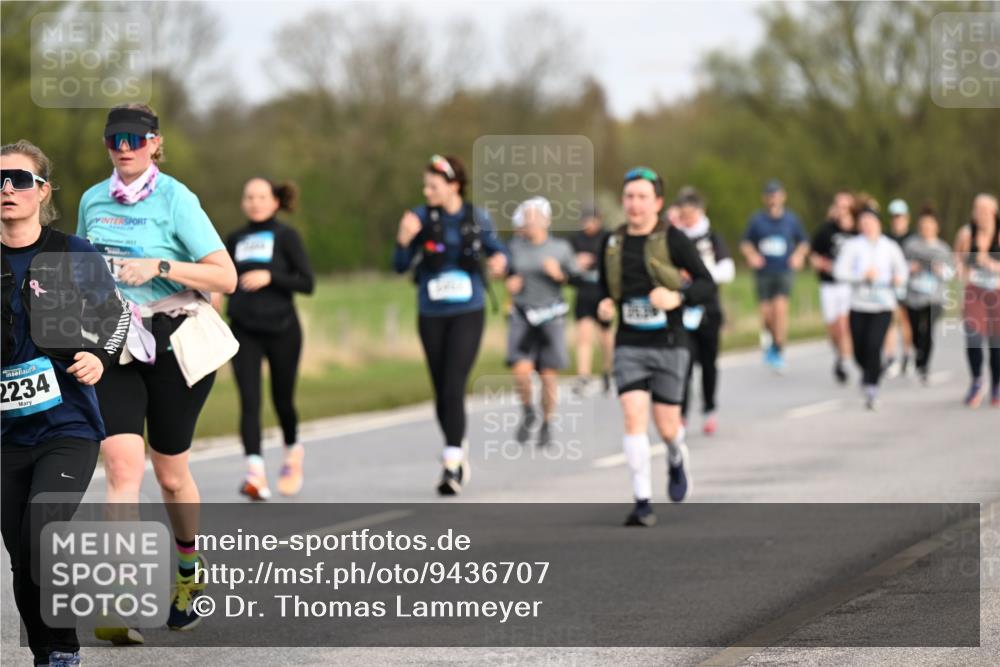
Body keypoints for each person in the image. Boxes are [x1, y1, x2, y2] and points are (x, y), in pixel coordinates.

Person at [77, 104, 238, 637]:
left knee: (170, 475)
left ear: (154, 144)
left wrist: (160, 267)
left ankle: (189, 572)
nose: (123, 147)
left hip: (175, 342)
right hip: (117, 342)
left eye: (134, 139)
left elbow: (226, 276)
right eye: (113, 140)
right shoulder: (92, 201)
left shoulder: (176, 198)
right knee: (123, 467)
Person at [2, 140, 130, 667]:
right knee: (23, 558)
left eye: (19, 179)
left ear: (43, 190)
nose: (7, 188)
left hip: (66, 426)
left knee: (42, 530)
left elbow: (117, 317)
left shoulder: (72, 253)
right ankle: (45, 653)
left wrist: (99, 356)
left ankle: (63, 652)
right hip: (5, 435)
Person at [595, 167, 716, 526]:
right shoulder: (612, 243)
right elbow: (603, 291)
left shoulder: (674, 239)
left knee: (666, 428)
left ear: (658, 203)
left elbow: (707, 285)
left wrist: (676, 297)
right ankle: (642, 501)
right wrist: (604, 306)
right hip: (629, 342)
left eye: (642, 197)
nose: (634, 204)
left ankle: (676, 456)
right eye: (629, 196)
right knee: (633, 415)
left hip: (669, 342)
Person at [393, 155, 507, 495]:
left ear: (454, 185)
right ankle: (455, 445)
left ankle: (452, 463)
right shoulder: (417, 217)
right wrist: (402, 239)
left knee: (455, 382)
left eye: (434, 186)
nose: (427, 192)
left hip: (467, 311)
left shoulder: (477, 217)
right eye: (424, 186)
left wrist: (501, 260)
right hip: (430, 313)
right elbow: (399, 266)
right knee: (441, 387)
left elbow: (498, 250)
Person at [226, 178, 315, 500]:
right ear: (243, 202)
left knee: (282, 400)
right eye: (249, 196)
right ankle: (255, 473)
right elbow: (223, 278)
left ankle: (292, 449)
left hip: (282, 329)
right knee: (250, 401)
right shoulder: (234, 239)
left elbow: (307, 283)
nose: (255, 202)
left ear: (275, 202)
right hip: (244, 330)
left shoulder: (286, 236)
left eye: (262, 196)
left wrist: (271, 276)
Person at [505, 197, 578, 446]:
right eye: (526, 217)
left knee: (548, 375)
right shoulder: (514, 247)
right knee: (521, 370)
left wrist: (559, 274)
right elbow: (503, 272)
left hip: (551, 316)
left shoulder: (560, 249)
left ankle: (547, 422)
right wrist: (509, 283)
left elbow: (577, 278)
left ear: (546, 220)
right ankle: (528, 411)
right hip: (523, 315)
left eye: (535, 217)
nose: (530, 222)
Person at [834, 202, 908, 410]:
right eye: (863, 222)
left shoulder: (890, 247)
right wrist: (860, 276)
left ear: (878, 223)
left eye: (870, 221)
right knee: (859, 349)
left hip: (883, 305)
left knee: (874, 345)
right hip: (858, 304)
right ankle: (869, 372)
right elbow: (839, 272)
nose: (866, 225)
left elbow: (902, 271)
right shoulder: (852, 246)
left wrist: (897, 279)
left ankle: (872, 387)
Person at [674, 187, 733, 435]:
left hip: (708, 309)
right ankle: (681, 414)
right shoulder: (675, 239)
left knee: (708, 363)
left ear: (700, 212)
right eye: (683, 214)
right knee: (683, 363)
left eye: (691, 213)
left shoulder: (712, 238)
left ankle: (709, 408)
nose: (687, 219)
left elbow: (727, 271)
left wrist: (700, 277)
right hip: (682, 309)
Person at [740, 179, 809, 373]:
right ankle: (772, 342)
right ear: (765, 198)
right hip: (764, 272)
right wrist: (752, 255)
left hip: (784, 270)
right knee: (766, 314)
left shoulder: (791, 219)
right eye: (770, 195)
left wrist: (798, 255)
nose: (773, 199)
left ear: (783, 196)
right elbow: (745, 242)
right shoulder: (757, 220)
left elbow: (803, 241)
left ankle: (778, 348)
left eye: (776, 195)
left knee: (780, 309)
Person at [953, 193, 1000, 407]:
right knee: (973, 337)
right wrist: (963, 271)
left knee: (996, 343)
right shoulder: (966, 233)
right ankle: (976, 381)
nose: (979, 214)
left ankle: (997, 385)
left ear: (994, 212)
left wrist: (990, 263)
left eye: (984, 210)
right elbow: (958, 260)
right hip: (974, 292)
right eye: (976, 209)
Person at [902, 208, 954, 384]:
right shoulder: (911, 245)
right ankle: (918, 353)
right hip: (914, 295)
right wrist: (911, 267)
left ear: (936, 227)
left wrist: (940, 270)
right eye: (923, 226)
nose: (926, 229)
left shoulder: (943, 248)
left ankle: (924, 365)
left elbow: (950, 273)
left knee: (928, 330)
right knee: (916, 331)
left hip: (935, 297)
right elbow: (900, 266)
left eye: (929, 226)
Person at [810, 191, 856, 383]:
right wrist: (820, 263)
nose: (842, 211)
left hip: (849, 286)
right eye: (839, 206)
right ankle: (839, 355)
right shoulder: (826, 230)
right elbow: (813, 254)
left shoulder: (858, 231)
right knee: (832, 329)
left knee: (844, 325)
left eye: (846, 207)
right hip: (829, 284)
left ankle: (845, 363)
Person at [568, 205, 612, 396]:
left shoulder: (607, 237)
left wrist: (593, 260)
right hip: (584, 291)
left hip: (602, 292)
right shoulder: (576, 240)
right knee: (583, 335)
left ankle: (607, 371)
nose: (587, 224)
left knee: (605, 336)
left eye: (591, 220)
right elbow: (567, 266)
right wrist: (577, 262)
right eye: (584, 220)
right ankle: (583, 375)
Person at [884, 198, 915, 376]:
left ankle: (907, 354)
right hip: (890, 284)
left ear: (906, 217)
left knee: (904, 320)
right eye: (894, 216)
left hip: (909, 285)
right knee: (890, 320)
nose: (897, 219)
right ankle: (890, 357)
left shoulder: (913, 238)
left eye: (900, 216)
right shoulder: (887, 238)